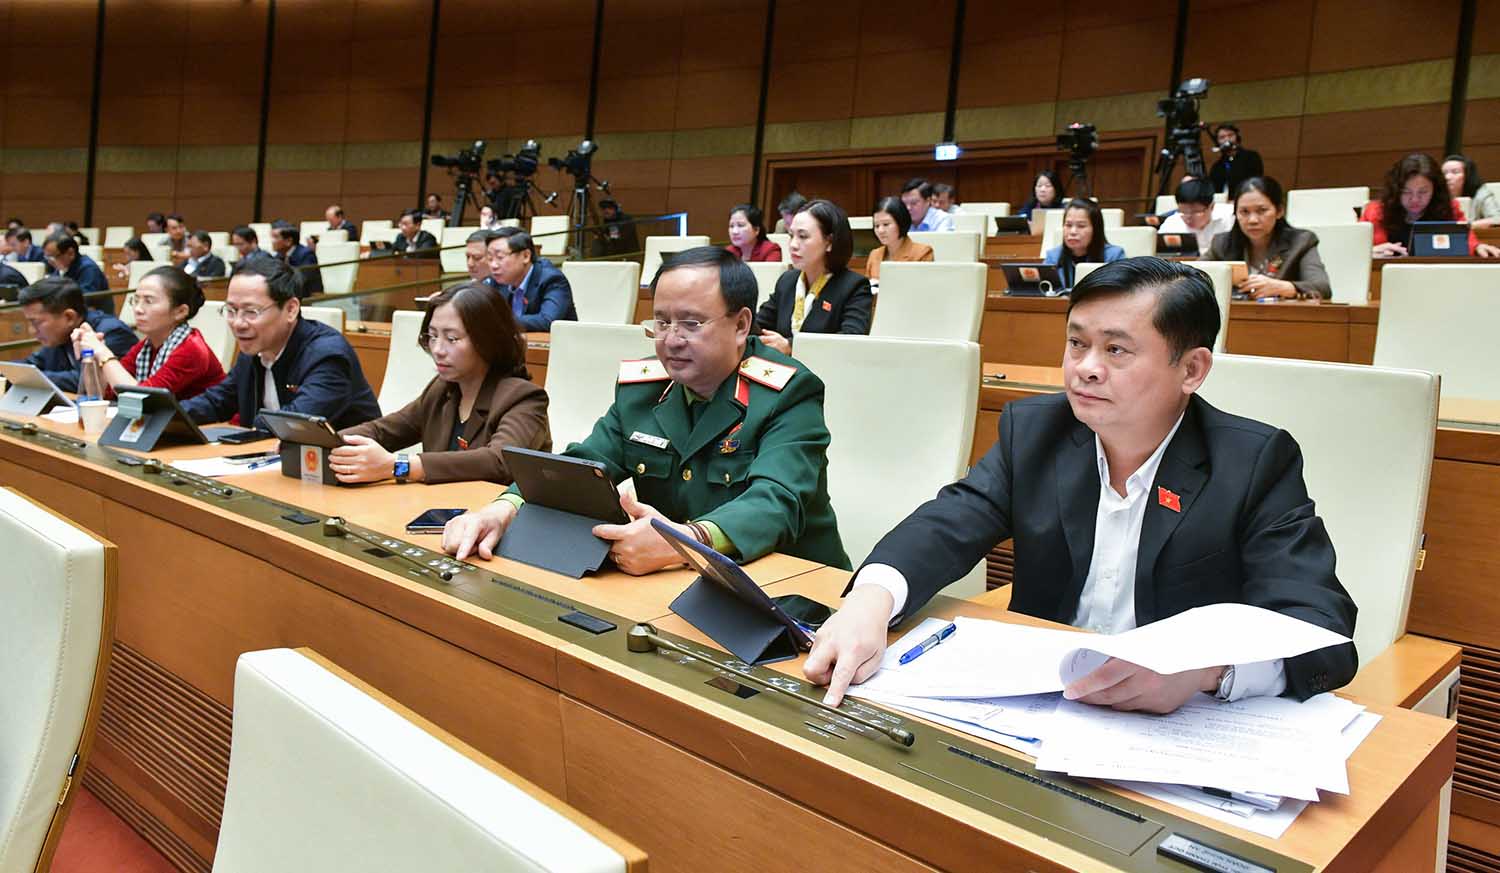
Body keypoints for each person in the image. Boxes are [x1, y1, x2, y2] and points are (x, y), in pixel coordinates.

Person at [804, 257, 1358, 710]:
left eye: (1116, 350)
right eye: (1077, 343)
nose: (1086, 368)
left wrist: (1204, 672)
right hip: (1041, 704)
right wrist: (871, 602)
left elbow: (1322, 631)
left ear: (1191, 370)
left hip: (1184, 727)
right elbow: (950, 521)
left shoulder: (1253, 462)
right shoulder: (1037, 430)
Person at [441, 246, 849, 572]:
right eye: (662, 322)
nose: (671, 340)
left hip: (790, 584)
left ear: (742, 325)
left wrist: (686, 543)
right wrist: (503, 509)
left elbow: (775, 501)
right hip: (680, 586)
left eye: (691, 323)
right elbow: (584, 465)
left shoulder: (788, 391)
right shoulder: (644, 388)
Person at [333, 283, 550, 485]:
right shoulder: (443, 389)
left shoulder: (524, 398)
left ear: (488, 340)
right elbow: (383, 431)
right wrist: (326, 441)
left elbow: (500, 461)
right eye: (433, 336)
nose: (437, 349)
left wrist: (399, 466)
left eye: (452, 338)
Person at [181, 258, 381, 430]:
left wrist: (244, 430)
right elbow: (217, 402)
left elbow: (297, 423)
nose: (238, 323)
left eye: (251, 312)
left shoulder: (327, 355)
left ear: (291, 310)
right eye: (231, 311)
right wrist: (163, 415)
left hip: (343, 467)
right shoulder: (253, 351)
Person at [72, 266, 224, 401]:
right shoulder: (145, 346)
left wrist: (103, 352)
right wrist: (91, 356)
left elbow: (143, 400)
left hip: (208, 428)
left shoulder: (191, 349)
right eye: (136, 300)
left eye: (148, 301)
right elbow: (107, 394)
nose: (138, 309)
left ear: (180, 311)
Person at [755, 199, 872, 354]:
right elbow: (758, 326)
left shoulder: (854, 286)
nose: (793, 245)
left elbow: (850, 342)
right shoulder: (787, 280)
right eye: (791, 236)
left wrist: (792, 346)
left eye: (802, 236)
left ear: (829, 242)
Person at [1207, 176, 1331, 300]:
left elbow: (1322, 287)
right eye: (1244, 212)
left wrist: (1286, 287)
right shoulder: (1222, 244)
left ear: (1279, 211)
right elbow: (1192, 277)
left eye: (1262, 210)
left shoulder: (1301, 242)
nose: (1252, 220)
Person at [1360, 153, 1498, 258]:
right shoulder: (1375, 211)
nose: (1414, 199)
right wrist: (1370, 252)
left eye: (1423, 192)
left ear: (1435, 190)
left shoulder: (1448, 208)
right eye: (1406, 192)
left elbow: (1466, 240)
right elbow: (1354, 250)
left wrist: (1477, 247)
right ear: (1396, 190)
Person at [18, 276, 136, 392]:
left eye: (36, 322)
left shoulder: (110, 332)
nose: (32, 330)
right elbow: (32, 364)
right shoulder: (58, 336)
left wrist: (33, 378)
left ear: (69, 317)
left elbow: (89, 381)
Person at [483, 227, 576, 332]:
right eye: (490, 258)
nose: (493, 265)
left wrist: (499, 321)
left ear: (526, 256)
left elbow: (548, 321)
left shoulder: (552, 280)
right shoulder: (496, 281)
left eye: (500, 257)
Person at [1042, 199, 1126, 289]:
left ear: (1096, 229)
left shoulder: (1114, 256)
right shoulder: (1053, 257)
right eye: (1068, 225)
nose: (1073, 232)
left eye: (1081, 226)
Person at [864, 196, 933, 282]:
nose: (880, 231)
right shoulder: (874, 255)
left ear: (901, 222)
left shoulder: (923, 253)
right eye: (876, 226)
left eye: (886, 224)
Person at [1157, 177, 1234, 253]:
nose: (1188, 217)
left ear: (1212, 206)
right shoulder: (1171, 224)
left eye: (1196, 212)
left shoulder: (1230, 218)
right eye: (1183, 212)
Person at [44, 232, 113, 315]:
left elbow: (85, 299)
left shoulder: (88, 268)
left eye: (53, 257)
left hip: (96, 319)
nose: (49, 261)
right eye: (47, 257)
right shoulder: (61, 267)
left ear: (70, 253)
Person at [1442, 154, 1500, 229]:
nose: (1447, 177)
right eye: (1444, 173)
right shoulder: (1437, 195)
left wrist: (1465, 227)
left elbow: (1497, 219)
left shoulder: (1481, 194)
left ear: (1467, 175)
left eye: (1455, 172)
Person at [1208, 123, 1264, 197]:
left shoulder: (1251, 157)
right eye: (1222, 137)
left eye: (1230, 135)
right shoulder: (1217, 166)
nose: (1227, 139)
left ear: (1237, 137)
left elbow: (1255, 181)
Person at [270, 222, 323, 297]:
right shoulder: (279, 256)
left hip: (308, 297)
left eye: (275, 237)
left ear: (288, 241)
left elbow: (302, 281)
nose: (272, 241)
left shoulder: (306, 254)